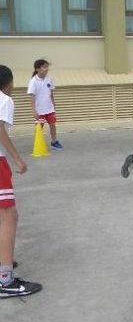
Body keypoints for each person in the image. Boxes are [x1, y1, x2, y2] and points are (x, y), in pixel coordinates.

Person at [0, 65, 42, 298]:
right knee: (9, 216)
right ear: (8, 83)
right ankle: (5, 281)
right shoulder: (4, 99)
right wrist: (17, 159)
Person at [27, 59, 63, 150]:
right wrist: (34, 110)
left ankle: (54, 142)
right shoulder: (33, 81)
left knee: (52, 124)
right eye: (44, 67)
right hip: (40, 110)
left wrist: (53, 104)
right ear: (37, 69)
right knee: (40, 126)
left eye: (47, 67)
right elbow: (32, 96)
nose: (47, 69)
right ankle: (37, 143)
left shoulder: (49, 79)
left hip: (49, 108)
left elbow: (51, 93)